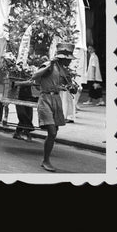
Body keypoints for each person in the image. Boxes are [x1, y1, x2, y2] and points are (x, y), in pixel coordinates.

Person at [30, 42, 78, 172]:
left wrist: (71, 88)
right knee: (51, 131)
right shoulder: (50, 66)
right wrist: (50, 64)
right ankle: (46, 160)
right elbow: (34, 76)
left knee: (54, 132)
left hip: (56, 100)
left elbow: (68, 87)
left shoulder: (63, 70)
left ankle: (45, 158)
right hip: (45, 99)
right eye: (67, 60)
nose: (69, 62)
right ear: (61, 58)